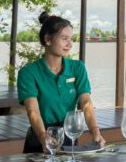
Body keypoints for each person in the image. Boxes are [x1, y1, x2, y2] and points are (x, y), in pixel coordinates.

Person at [17, 12, 106, 153]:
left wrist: (95, 131)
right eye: (64, 38)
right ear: (48, 39)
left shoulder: (78, 68)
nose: (69, 44)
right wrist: (42, 137)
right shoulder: (28, 73)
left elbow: (85, 102)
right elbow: (32, 111)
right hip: (40, 137)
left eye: (71, 39)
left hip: (69, 135)